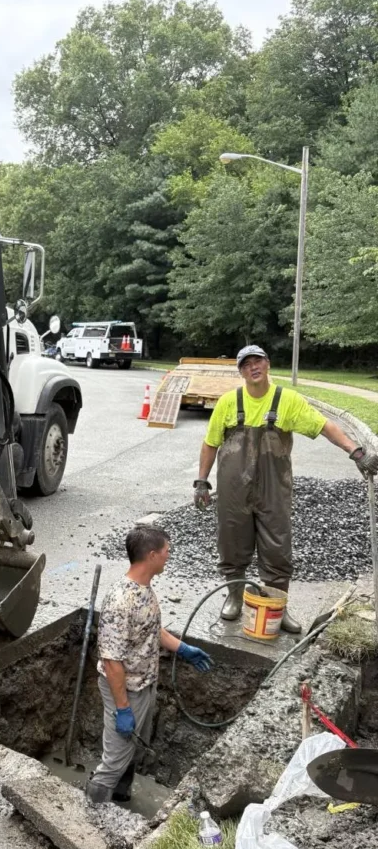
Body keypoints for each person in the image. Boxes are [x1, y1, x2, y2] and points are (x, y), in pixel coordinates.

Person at [194, 345, 378, 632]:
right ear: (241, 371)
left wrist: (355, 451)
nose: (253, 367)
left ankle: (278, 607)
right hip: (233, 490)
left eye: (258, 361)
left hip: (273, 490)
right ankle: (234, 597)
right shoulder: (229, 402)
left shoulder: (287, 401)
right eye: (246, 364)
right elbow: (210, 443)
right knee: (231, 542)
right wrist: (201, 482)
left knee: (278, 548)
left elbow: (324, 426)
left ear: (267, 364)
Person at [86, 525, 212, 805]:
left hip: (142, 685)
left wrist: (183, 648)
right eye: (166, 551)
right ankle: (95, 812)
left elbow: (150, 629)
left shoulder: (143, 590)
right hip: (126, 689)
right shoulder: (121, 601)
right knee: (114, 761)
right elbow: (111, 660)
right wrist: (122, 708)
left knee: (133, 748)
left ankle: (120, 798)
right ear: (152, 555)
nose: (169, 556)